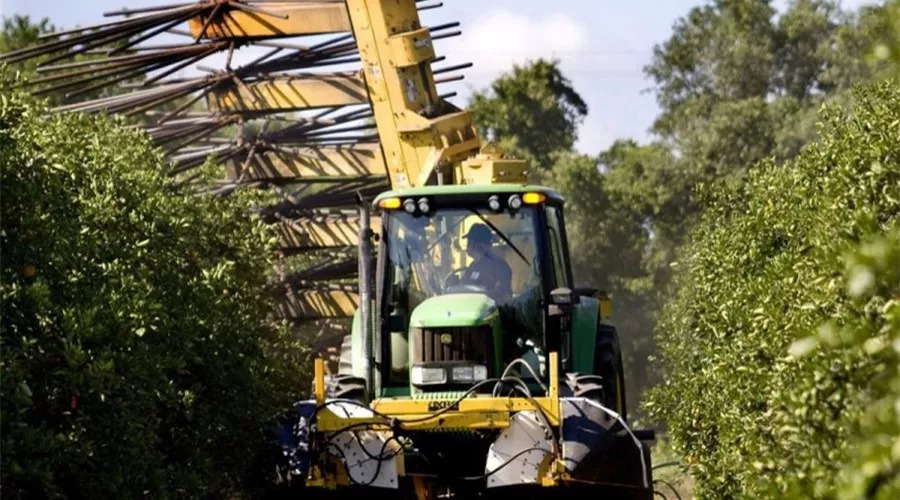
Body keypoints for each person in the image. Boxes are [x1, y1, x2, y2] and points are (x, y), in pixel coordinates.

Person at [458, 223, 513, 301]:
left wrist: (479, 295)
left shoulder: (500, 266)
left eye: (470, 242)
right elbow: (464, 286)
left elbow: (500, 294)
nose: (467, 246)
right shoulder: (472, 266)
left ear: (478, 245)